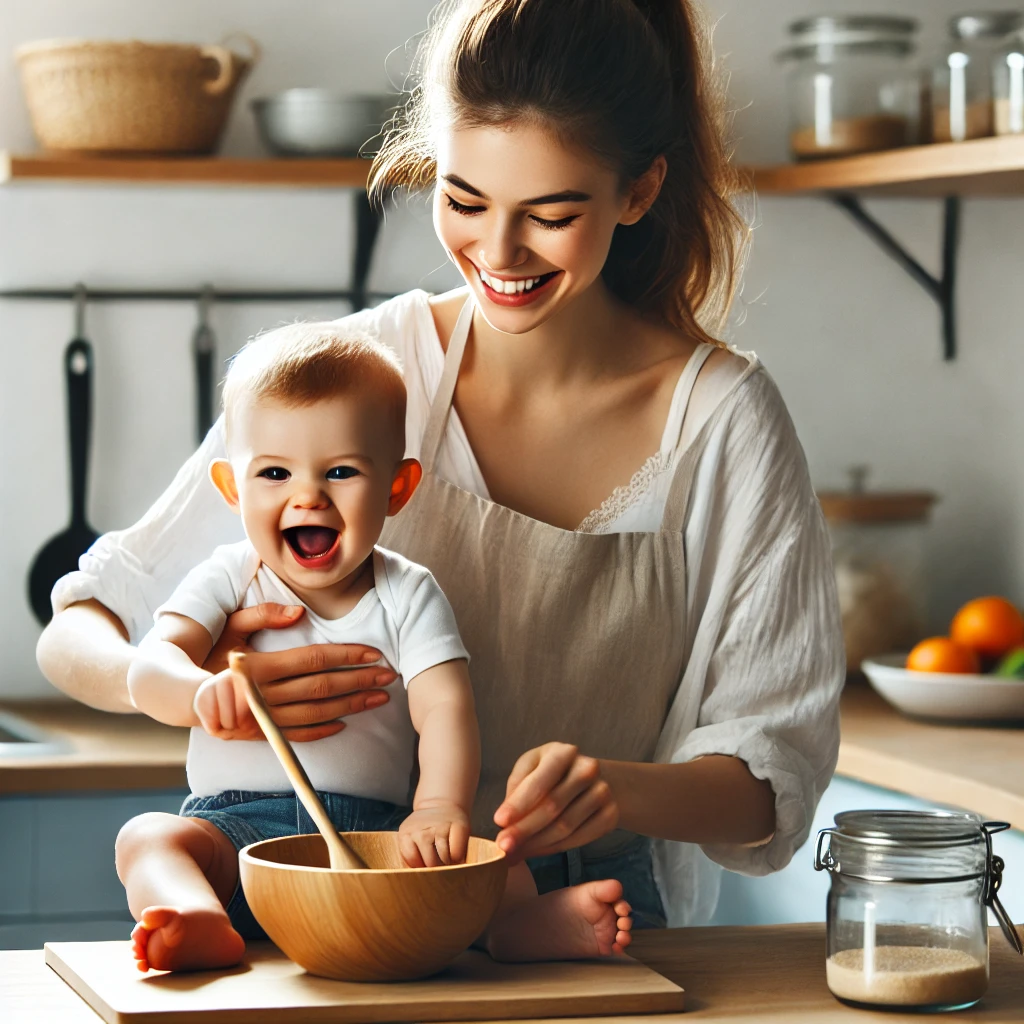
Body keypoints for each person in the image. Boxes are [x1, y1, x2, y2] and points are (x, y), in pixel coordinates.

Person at [38, 0, 844, 932]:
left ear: (639, 191)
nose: (497, 255)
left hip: (577, 919)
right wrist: (189, 687)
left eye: (549, 215)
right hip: (338, 905)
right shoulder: (356, 376)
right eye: (463, 202)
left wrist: (618, 791)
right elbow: (77, 630)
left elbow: (769, 781)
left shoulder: (726, 421)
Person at [116, 323, 633, 972]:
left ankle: (519, 928)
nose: (308, 495)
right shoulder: (229, 576)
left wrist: (438, 808)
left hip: (376, 844)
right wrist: (197, 693)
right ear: (231, 488)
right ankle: (196, 917)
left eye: (340, 472)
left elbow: (444, 709)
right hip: (235, 839)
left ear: (396, 488)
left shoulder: (409, 593)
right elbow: (149, 668)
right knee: (150, 838)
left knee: (491, 865)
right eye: (274, 473)